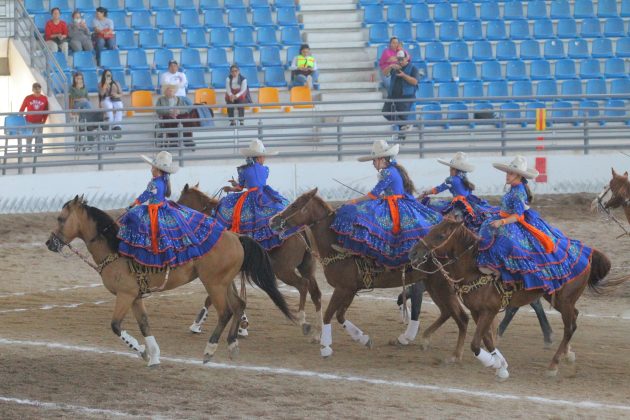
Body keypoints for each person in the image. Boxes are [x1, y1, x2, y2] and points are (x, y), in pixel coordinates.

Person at [477, 156, 593, 294]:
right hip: (505, 218)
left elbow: (518, 216)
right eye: (507, 173)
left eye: (511, 173)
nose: (507, 176)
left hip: (513, 222)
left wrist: (501, 221)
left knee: (506, 244)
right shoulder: (513, 188)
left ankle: (506, 276)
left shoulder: (519, 191)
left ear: (519, 176)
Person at [330, 140, 442, 269]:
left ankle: (361, 251)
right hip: (398, 202)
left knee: (352, 212)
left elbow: (373, 195)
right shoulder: (394, 169)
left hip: (394, 205)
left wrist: (353, 201)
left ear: (382, 159)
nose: (373, 163)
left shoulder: (386, 172)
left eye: (374, 160)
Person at [117, 151, 225, 268]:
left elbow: (145, 196)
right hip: (164, 206)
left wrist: (134, 204)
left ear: (157, 170)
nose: (151, 169)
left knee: (139, 222)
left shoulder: (153, 183)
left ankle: (143, 255)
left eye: (152, 167)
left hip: (155, 210)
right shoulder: (164, 180)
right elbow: (161, 195)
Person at [215, 140, 289, 250]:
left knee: (239, 214)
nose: (264, 159)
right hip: (264, 193)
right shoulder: (265, 169)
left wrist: (231, 187)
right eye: (263, 157)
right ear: (258, 157)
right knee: (277, 206)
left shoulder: (243, 170)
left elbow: (241, 187)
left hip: (250, 195)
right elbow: (256, 184)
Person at [421, 152, 498, 232]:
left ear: (455, 170)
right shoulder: (464, 179)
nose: (449, 170)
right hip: (470, 202)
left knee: (435, 206)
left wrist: (426, 192)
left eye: (451, 168)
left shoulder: (451, 179)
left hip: (460, 203)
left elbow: (438, 189)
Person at [383, 50, 423, 140]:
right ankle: (404, 125)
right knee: (386, 112)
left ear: (407, 58)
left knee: (402, 117)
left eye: (402, 59)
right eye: (398, 59)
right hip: (393, 96)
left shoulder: (413, 68)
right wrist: (390, 66)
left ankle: (401, 138)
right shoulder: (395, 67)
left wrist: (404, 75)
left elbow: (415, 82)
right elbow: (385, 73)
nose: (400, 61)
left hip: (406, 97)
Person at [19, 82, 49, 154]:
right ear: (32, 89)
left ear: (40, 89)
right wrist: (22, 120)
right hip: (29, 121)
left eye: (39, 89)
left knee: (39, 138)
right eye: (35, 89)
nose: (37, 91)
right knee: (29, 138)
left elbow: (46, 111)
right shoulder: (28, 98)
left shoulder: (44, 98)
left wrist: (44, 121)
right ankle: (28, 153)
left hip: (39, 122)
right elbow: (22, 109)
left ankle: (38, 154)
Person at [98, 69, 123, 137]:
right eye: (107, 75)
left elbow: (121, 93)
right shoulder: (101, 83)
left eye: (109, 75)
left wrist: (117, 95)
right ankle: (111, 126)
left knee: (120, 106)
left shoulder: (116, 82)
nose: (108, 76)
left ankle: (117, 126)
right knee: (109, 107)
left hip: (115, 98)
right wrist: (105, 85)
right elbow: (101, 94)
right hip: (105, 99)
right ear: (104, 76)